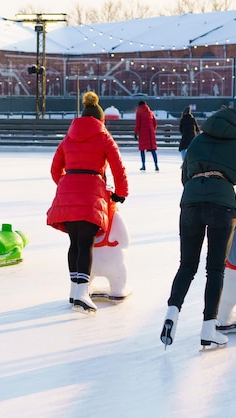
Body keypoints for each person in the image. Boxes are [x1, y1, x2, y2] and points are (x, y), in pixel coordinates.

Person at [160, 107, 236, 349]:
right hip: (222, 205)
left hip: (190, 202)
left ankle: (172, 314)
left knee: (187, 265)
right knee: (215, 270)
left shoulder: (199, 140)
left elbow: (185, 175)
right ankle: (208, 330)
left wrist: (195, 190)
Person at [47, 91, 129, 315]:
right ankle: (83, 293)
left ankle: (75, 290)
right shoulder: (103, 137)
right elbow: (117, 167)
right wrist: (120, 193)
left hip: (67, 193)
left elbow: (55, 169)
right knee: (86, 243)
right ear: (101, 120)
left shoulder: (68, 137)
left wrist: (67, 184)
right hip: (91, 192)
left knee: (74, 244)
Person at [134, 100, 159, 171]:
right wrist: (152, 130)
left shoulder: (139, 112)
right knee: (153, 150)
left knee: (142, 150)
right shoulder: (150, 112)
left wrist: (136, 133)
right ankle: (156, 165)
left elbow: (138, 124)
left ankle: (143, 165)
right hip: (151, 134)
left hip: (142, 133)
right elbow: (155, 123)